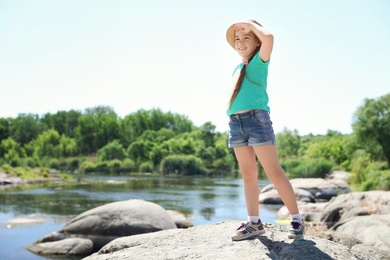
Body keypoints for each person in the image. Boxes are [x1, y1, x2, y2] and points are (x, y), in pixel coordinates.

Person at [225, 19, 304, 241]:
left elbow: (269, 38)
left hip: (256, 120)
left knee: (274, 172)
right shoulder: (239, 66)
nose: (240, 42)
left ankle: (296, 219)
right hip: (236, 123)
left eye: (246, 37)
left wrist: (250, 25)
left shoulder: (260, 61)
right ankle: (254, 223)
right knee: (248, 175)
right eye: (237, 39)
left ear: (257, 43)